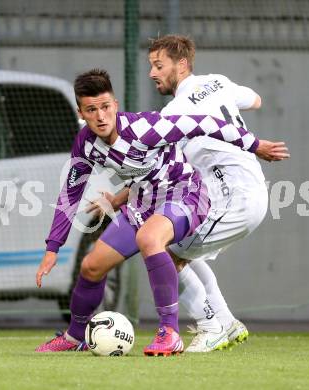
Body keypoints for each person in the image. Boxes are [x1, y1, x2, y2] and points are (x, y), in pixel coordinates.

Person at [34, 68, 286, 355]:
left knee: (151, 240)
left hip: (186, 194)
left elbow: (205, 123)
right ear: (81, 112)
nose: (101, 116)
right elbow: (70, 193)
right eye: (92, 110)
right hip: (142, 203)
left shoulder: (146, 128)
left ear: (115, 105)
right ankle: (75, 336)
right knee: (91, 266)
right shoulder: (86, 143)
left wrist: (255, 145)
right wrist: (53, 248)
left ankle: (170, 332)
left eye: (105, 107)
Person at [146, 34, 289, 352]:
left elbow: (149, 148)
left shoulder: (175, 111)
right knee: (171, 246)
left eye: (159, 65)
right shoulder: (217, 81)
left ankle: (213, 326)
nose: (153, 73)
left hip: (233, 198)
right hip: (246, 190)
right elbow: (255, 100)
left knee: (159, 252)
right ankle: (225, 322)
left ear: (181, 65)